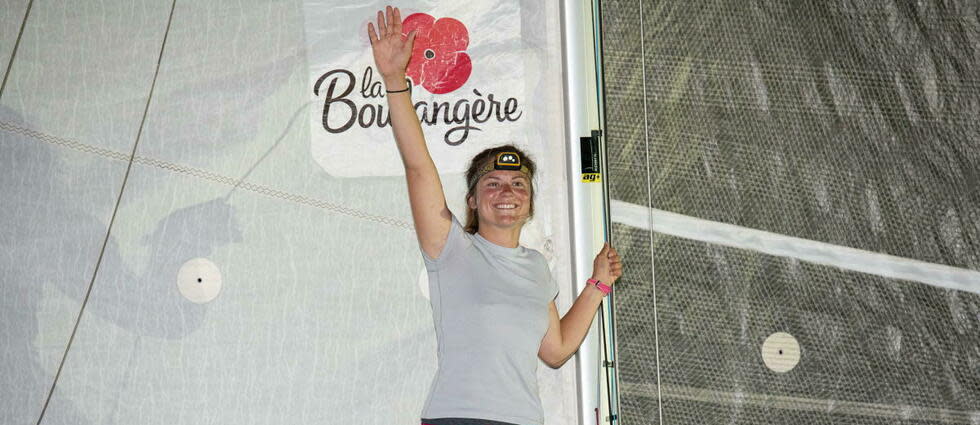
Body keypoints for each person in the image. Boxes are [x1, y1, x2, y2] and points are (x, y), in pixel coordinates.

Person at [368, 6, 622, 425]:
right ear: (472, 200)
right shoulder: (450, 247)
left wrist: (597, 284)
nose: (507, 192)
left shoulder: (537, 267)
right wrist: (395, 81)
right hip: (457, 418)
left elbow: (555, 351)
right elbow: (419, 167)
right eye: (493, 183)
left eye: (518, 184)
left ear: (530, 203)